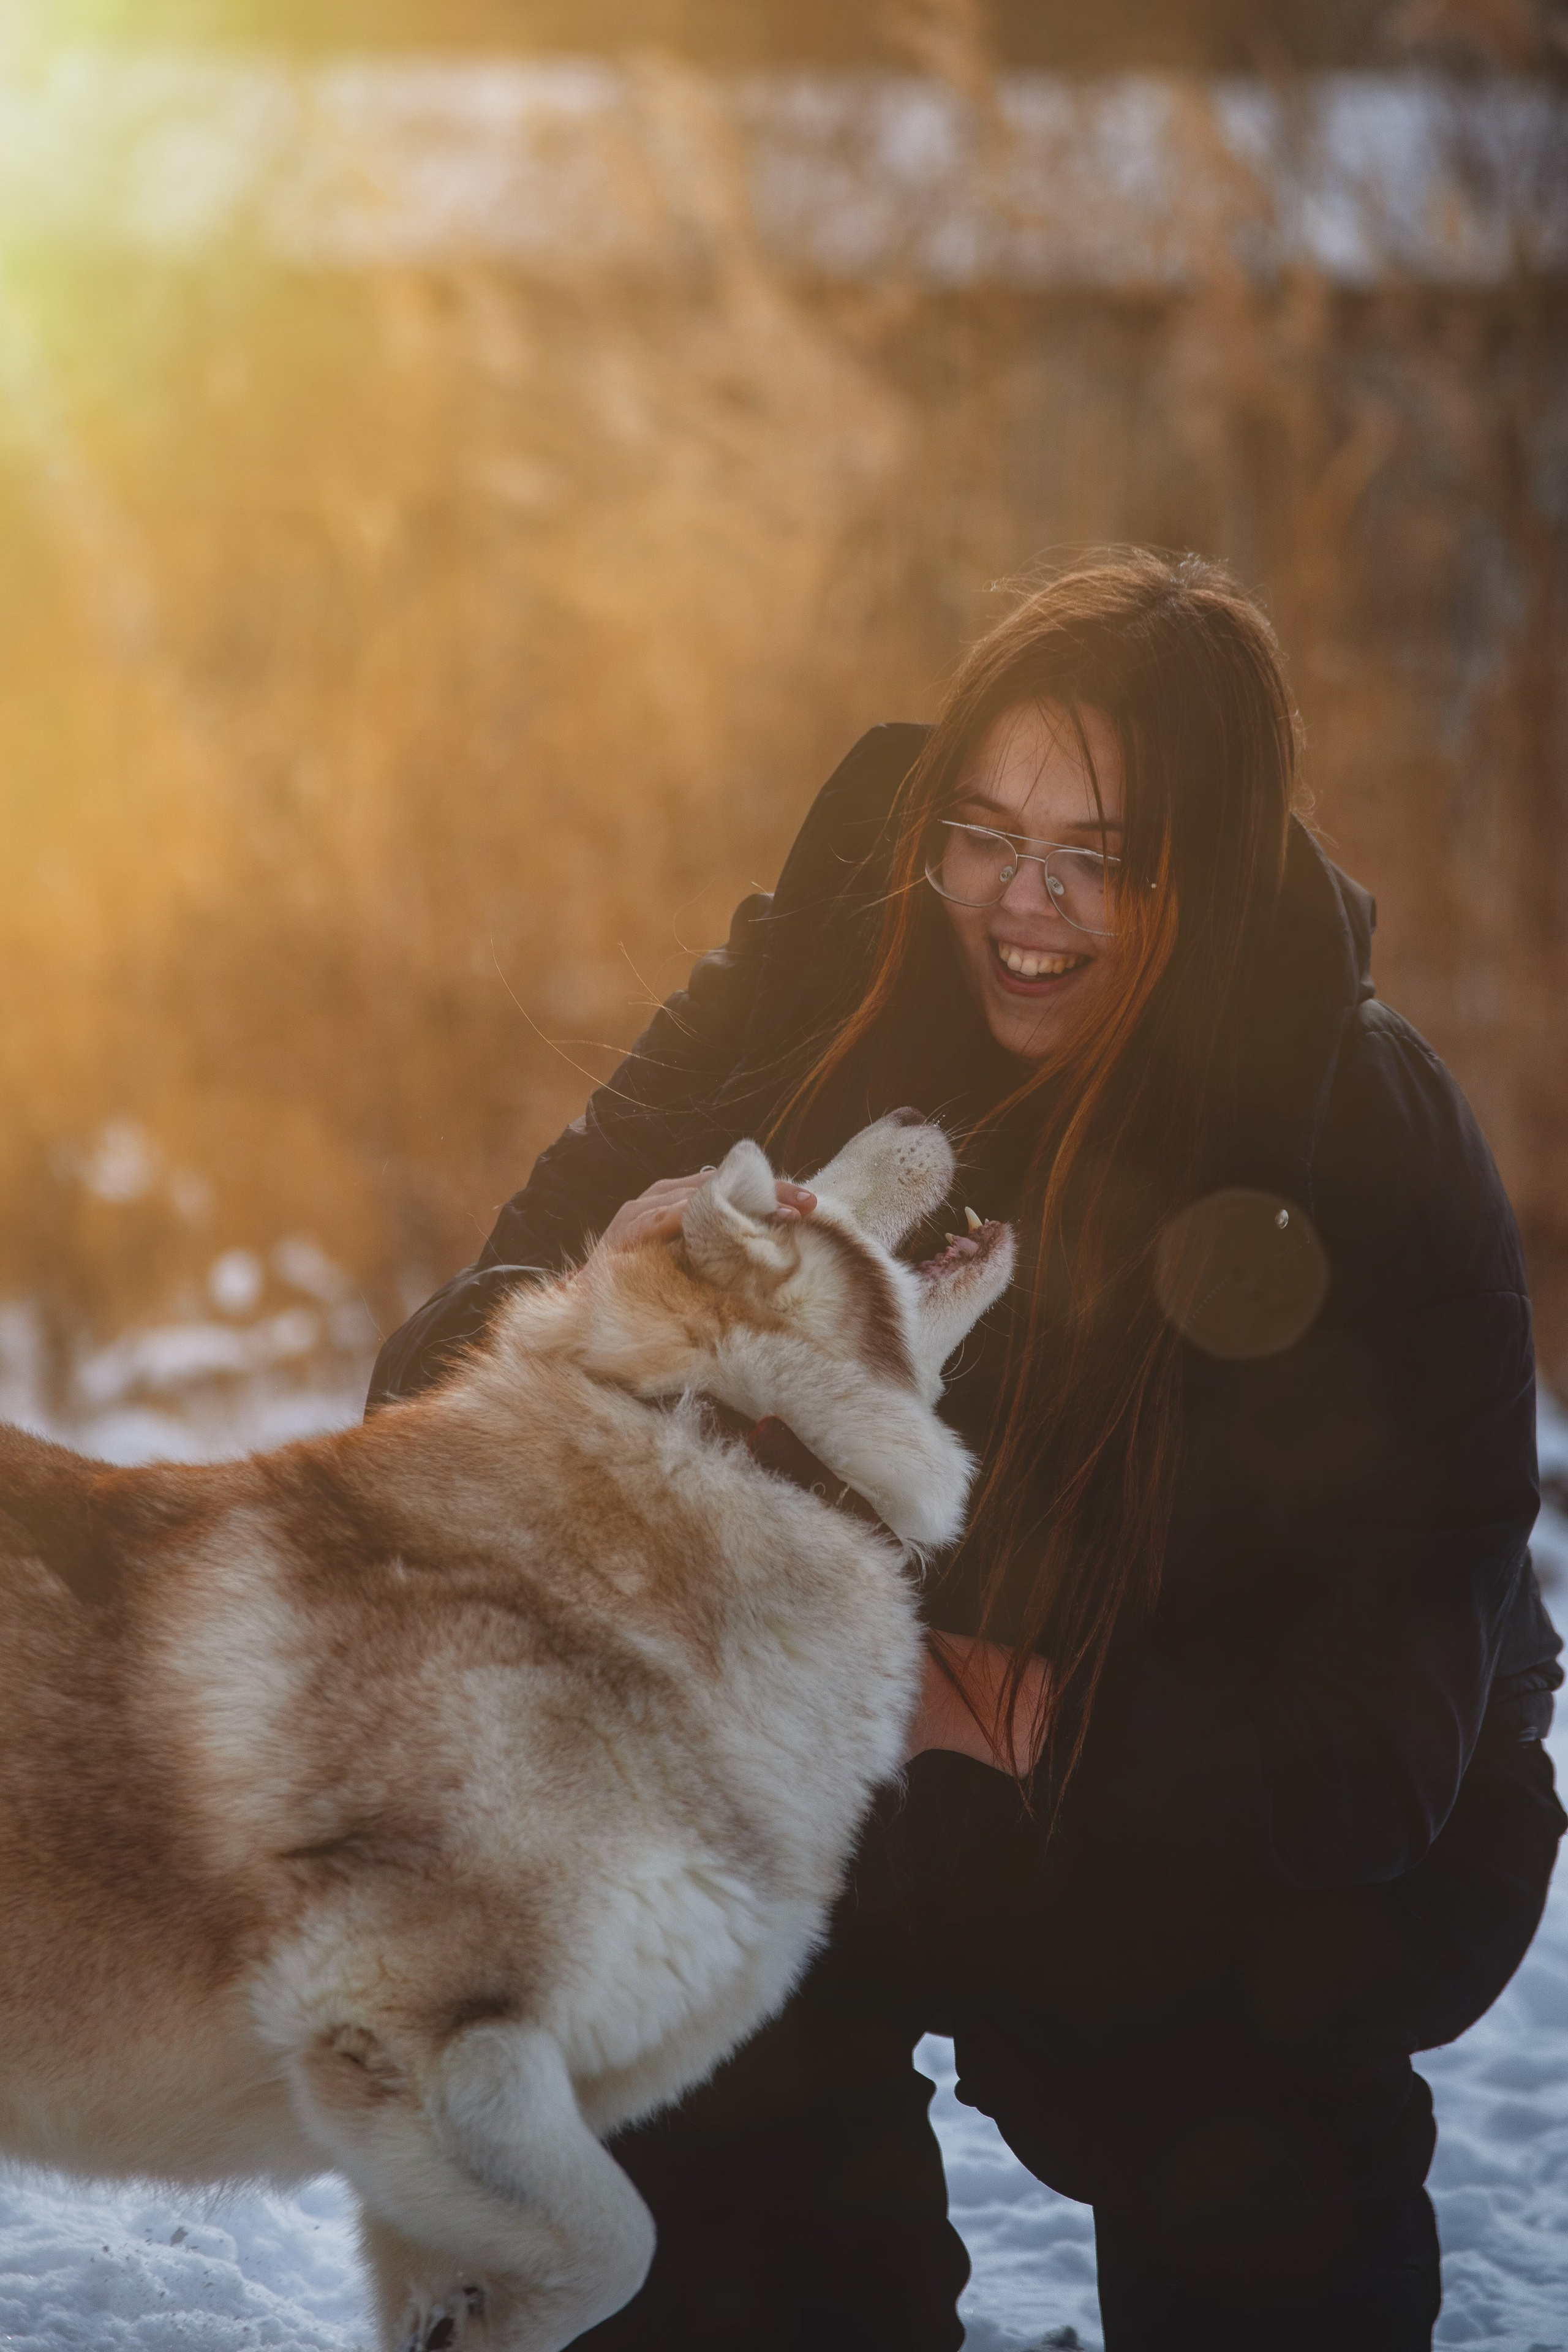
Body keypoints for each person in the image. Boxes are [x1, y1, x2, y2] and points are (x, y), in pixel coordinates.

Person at [369, 551, 1564, 2351]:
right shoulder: (829, 968)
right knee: (643, 1983)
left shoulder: (1362, 1143)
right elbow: (423, 1404)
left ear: (1209, 878)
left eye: (1103, 857)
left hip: (1249, 1847)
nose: (1024, 902)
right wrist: (579, 1324)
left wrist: (988, 1702)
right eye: (988, 832)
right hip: (861, 1773)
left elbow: (1371, 1753)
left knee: (1260, 2115)